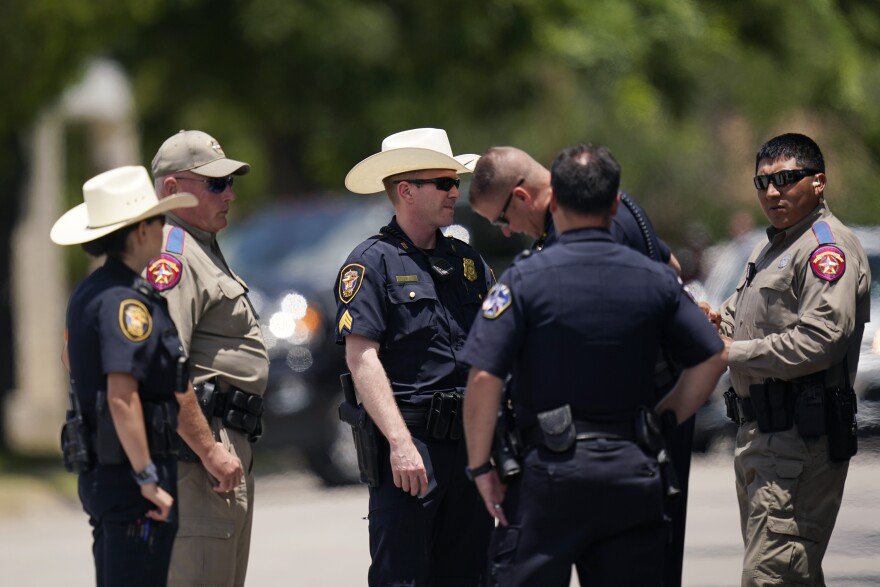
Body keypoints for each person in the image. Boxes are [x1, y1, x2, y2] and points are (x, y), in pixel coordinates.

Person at [461, 143, 728, 587]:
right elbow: (710, 346)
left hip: (556, 466)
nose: (506, 232)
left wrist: (480, 468)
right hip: (633, 462)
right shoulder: (648, 268)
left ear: (547, 202)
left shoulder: (526, 277)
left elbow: (484, 376)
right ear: (615, 201)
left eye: (503, 219)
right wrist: (664, 416)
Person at [335, 128, 494, 586]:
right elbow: (362, 357)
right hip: (413, 448)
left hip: (470, 444)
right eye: (443, 183)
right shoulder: (372, 263)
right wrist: (401, 444)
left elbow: (496, 343)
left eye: (455, 182)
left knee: (472, 575)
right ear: (406, 191)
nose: (455, 192)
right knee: (402, 577)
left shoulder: (467, 262)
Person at [717, 133, 869, 587]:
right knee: (789, 575)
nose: (772, 192)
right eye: (762, 182)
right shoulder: (773, 248)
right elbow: (734, 318)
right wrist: (705, 321)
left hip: (800, 440)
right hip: (761, 437)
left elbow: (822, 340)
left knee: (770, 577)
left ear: (818, 182)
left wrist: (732, 352)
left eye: (785, 179)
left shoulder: (826, 248)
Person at [50, 165, 198, 585]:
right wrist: (147, 477)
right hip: (133, 481)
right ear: (141, 231)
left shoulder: (93, 289)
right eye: (159, 220)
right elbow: (121, 395)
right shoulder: (125, 301)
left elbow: (70, 358)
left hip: (108, 474)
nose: (164, 228)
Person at [150, 130, 268, 587]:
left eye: (229, 182)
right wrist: (209, 449)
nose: (230, 195)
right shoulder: (173, 256)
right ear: (172, 189)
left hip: (221, 445)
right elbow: (162, 364)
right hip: (200, 456)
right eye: (216, 184)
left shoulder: (201, 247)